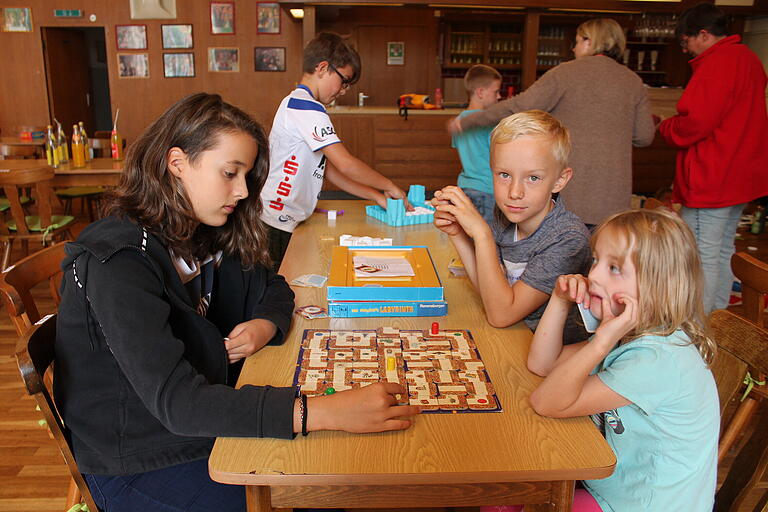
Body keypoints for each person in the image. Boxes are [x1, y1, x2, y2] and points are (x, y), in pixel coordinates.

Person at [54, 93, 420, 512]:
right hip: (140, 459)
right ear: (177, 164)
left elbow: (274, 287)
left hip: (201, 424)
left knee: (340, 470)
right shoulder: (118, 260)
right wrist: (321, 412)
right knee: (324, 491)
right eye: (230, 173)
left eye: (246, 175)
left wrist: (266, 321)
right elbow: (180, 403)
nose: (242, 190)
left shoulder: (202, 231)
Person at [524, 209, 719, 511]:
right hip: (612, 489)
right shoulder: (632, 332)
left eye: (614, 268)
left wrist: (600, 342)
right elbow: (543, 365)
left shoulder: (657, 358)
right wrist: (560, 300)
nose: (593, 275)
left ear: (658, 287)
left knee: (515, 497)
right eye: (596, 260)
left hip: (641, 505)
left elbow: (546, 402)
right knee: (510, 495)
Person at [448, 18, 655, 226]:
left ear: (589, 41)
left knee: (562, 252)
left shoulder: (565, 73)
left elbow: (519, 106)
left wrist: (471, 120)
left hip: (570, 193)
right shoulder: (633, 81)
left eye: (576, 41)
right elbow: (645, 136)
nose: (573, 48)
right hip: (613, 199)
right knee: (604, 255)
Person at [431, 110, 590, 344]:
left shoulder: (568, 238)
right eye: (504, 175)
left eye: (533, 178)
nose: (515, 193)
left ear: (560, 180)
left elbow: (501, 315)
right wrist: (456, 233)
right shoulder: (508, 216)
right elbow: (490, 292)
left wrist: (482, 234)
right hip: (514, 338)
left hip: (553, 356)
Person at [261, 32, 410, 270]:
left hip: (283, 217)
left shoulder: (298, 103)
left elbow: (330, 171)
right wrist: (389, 186)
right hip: (275, 220)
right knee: (278, 284)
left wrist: (376, 195)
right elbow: (346, 164)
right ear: (322, 68)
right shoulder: (307, 108)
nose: (344, 90)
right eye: (344, 80)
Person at [658, 2, 768, 314]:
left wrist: (666, 126)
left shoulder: (717, 63)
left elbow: (695, 124)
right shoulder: (748, 58)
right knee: (721, 251)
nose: (686, 49)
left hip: (714, 173)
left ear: (704, 35)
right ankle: (718, 320)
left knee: (699, 255)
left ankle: (698, 327)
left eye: (686, 40)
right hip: (740, 174)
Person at [452, 64, 502, 224]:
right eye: (496, 92)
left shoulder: (459, 121)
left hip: (465, 188)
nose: (499, 96)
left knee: (469, 237)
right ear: (480, 92)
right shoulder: (488, 124)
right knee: (487, 239)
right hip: (487, 190)